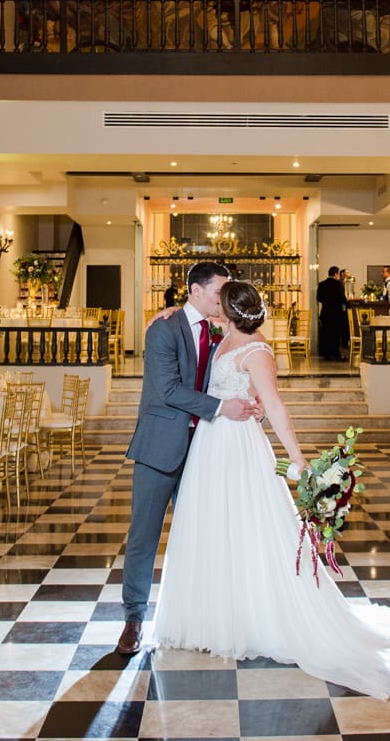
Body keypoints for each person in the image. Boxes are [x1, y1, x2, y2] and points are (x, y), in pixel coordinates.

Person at [152, 281, 390, 699]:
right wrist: (163, 315)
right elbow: (197, 321)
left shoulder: (256, 350)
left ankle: (252, 616)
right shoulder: (223, 335)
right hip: (209, 447)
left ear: (230, 310)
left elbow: (274, 407)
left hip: (238, 446)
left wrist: (298, 460)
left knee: (250, 527)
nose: (213, 306)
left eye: (220, 302)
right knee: (213, 527)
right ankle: (214, 614)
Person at [118, 261, 260, 655]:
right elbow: (168, 390)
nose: (224, 300)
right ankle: (133, 619)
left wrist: (251, 400)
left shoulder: (219, 331)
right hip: (159, 447)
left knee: (198, 537)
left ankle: (197, 617)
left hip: (203, 451)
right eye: (219, 293)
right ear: (195, 290)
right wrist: (221, 407)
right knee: (144, 538)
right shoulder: (164, 329)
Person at [316, 266, 348, 361]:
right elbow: (342, 298)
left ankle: (326, 354)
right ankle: (335, 353)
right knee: (336, 334)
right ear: (335, 274)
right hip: (336, 313)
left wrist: (327, 302)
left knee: (326, 333)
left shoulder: (322, 284)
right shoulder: (338, 284)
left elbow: (319, 298)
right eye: (338, 274)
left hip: (325, 312)